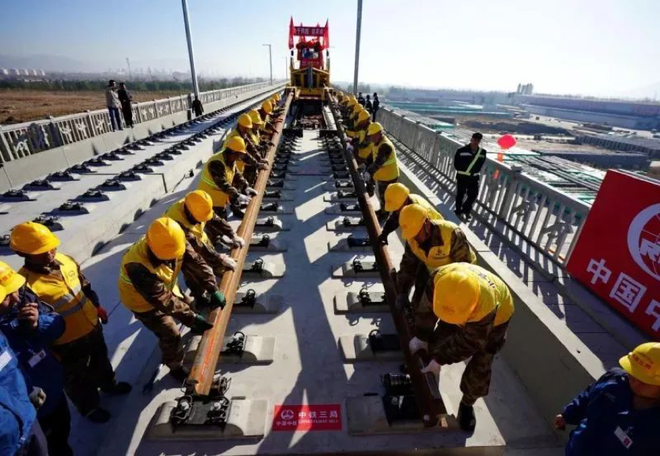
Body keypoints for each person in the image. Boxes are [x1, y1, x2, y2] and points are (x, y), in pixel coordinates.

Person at [9, 221, 131, 423]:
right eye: (41, 251)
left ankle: (109, 384)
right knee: (77, 379)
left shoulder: (66, 260)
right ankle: (89, 407)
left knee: (100, 360)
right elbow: (31, 326)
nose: (49, 253)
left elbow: (84, 287)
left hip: (91, 326)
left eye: (51, 247)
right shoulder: (25, 286)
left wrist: (96, 306)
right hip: (65, 343)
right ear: (24, 254)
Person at [413, 263, 514, 432]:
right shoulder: (440, 279)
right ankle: (429, 373)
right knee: (437, 342)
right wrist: (421, 337)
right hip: (458, 304)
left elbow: (468, 344)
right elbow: (426, 310)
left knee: (480, 366)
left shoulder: (485, 306)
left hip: (495, 323)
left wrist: (440, 359)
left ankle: (467, 403)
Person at [118, 217, 217, 382]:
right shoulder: (136, 265)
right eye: (165, 258)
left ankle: (193, 326)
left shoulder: (174, 240)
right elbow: (162, 300)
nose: (170, 260)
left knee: (189, 306)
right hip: (143, 303)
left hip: (166, 288)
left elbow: (196, 262)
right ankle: (175, 366)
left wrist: (212, 287)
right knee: (170, 332)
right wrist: (191, 319)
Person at [0, 263, 73, 456]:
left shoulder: (23, 298)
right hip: (27, 412)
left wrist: (37, 324)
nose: (16, 298)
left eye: (14, 291)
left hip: (51, 387)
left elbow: (58, 326)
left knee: (61, 436)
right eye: (7, 296)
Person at [555, 342, 660, 455]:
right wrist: (569, 414)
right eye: (632, 376)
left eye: (644, 382)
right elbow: (589, 395)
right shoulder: (614, 380)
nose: (635, 383)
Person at [396, 203, 476, 336]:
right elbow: (408, 266)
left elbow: (465, 267)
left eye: (417, 233)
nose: (415, 237)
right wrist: (402, 291)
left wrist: (446, 291)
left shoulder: (451, 234)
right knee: (420, 305)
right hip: (431, 268)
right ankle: (420, 334)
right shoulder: (412, 238)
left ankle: (440, 339)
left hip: (457, 275)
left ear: (427, 224)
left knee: (446, 310)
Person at [164, 190, 237, 305]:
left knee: (213, 263)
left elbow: (215, 219)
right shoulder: (175, 222)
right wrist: (219, 257)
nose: (201, 221)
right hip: (182, 250)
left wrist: (232, 234)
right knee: (193, 272)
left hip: (201, 240)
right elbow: (195, 247)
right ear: (189, 213)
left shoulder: (198, 205)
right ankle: (200, 297)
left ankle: (215, 283)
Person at [0, 288, 50, 456]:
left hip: (28, 422)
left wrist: (28, 390)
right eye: (6, 296)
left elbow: (10, 368)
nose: (16, 298)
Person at [198, 136, 256, 246]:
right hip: (209, 199)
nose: (239, 157)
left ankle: (218, 239)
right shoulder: (216, 163)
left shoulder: (230, 160)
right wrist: (237, 195)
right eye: (239, 154)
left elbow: (237, 174)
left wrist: (246, 186)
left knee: (221, 220)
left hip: (219, 199)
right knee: (213, 224)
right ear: (233, 152)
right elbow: (222, 184)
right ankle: (212, 244)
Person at [378, 183, 444, 245]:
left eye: (397, 208)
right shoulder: (404, 202)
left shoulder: (416, 211)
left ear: (405, 201)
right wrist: (384, 233)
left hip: (437, 232)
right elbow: (395, 218)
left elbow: (422, 237)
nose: (396, 211)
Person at [363, 122, 399, 219]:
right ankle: (382, 211)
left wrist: (369, 172)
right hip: (383, 174)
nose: (371, 138)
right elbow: (372, 156)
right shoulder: (377, 143)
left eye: (372, 136)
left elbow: (379, 162)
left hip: (389, 176)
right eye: (370, 136)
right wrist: (364, 164)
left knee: (385, 197)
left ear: (379, 133)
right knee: (381, 194)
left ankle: (384, 215)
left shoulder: (385, 146)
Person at [454, 132, 486, 221]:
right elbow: (456, 164)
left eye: (478, 140)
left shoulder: (482, 152)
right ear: (471, 139)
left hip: (474, 178)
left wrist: (473, 172)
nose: (476, 142)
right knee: (460, 194)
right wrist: (464, 170)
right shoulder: (461, 150)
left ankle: (466, 210)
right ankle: (458, 211)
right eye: (474, 139)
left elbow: (481, 164)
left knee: (473, 195)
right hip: (462, 177)